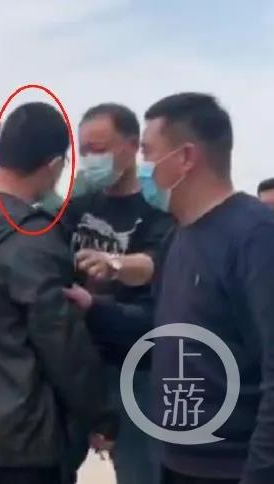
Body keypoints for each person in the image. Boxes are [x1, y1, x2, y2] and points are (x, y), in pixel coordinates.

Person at [0, 102, 117, 484]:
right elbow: (61, 343)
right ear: (53, 165)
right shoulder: (32, 239)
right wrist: (101, 417)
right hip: (17, 449)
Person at [142, 92, 274, 484]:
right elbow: (174, 332)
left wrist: (263, 474)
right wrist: (93, 309)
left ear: (185, 157)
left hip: (236, 467)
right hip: (181, 463)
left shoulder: (258, 237)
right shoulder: (179, 236)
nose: (143, 169)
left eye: (148, 153)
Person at [59, 103, 173, 484]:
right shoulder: (75, 209)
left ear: (132, 146)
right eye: (84, 150)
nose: (91, 159)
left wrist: (115, 265)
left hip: (134, 369)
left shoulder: (158, 215)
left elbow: (151, 265)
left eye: (100, 149)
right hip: (76, 363)